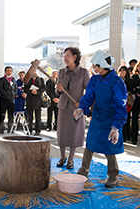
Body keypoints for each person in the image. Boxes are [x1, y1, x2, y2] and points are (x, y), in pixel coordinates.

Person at [75, 50, 127, 188]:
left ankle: (113, 175)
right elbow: (89, 96)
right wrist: (82, 108)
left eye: (96, 65)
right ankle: (83, 172)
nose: (94, 68)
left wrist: (116, 127)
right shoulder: (95, 79)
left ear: (104, 65)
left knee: (109, 148)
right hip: (97, 117)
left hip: (112, 119)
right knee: (90, 145)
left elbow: (121, 107)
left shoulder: (117, 82)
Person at [55, 47, 90, 169]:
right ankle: (62, 157)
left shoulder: (84, 72)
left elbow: (89, 90)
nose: (65, 58)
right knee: (62, 132)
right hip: (63, 107)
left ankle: (71, 159)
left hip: (77, 108)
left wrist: (82, 102)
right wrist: (58, 90)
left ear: (75, 57)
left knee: (74, 133)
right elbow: (57, 90)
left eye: (67, 56)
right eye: (64, 56)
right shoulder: (61, 72)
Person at [0, 66, 17, 134]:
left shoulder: (13, 80)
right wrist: (6, 95)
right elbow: (0, 89)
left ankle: (10, 129)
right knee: (2, 114)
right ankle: (1, 129)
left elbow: (16, 89)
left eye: (10, 71)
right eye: (7, 71)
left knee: (11, 115)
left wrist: (13, 95)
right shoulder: (1, 80)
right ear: (5, 72)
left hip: (11, 101)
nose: (9, 72)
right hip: (4, 100)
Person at [118, 66, 133, 142]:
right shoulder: (116, 80)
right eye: (121, 70)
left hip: (126, 103)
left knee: (126, 119)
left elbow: (130, 90)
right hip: (117, 102)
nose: (122, 72)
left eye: (124, 70)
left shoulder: (130, 81)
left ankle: (125, 136)